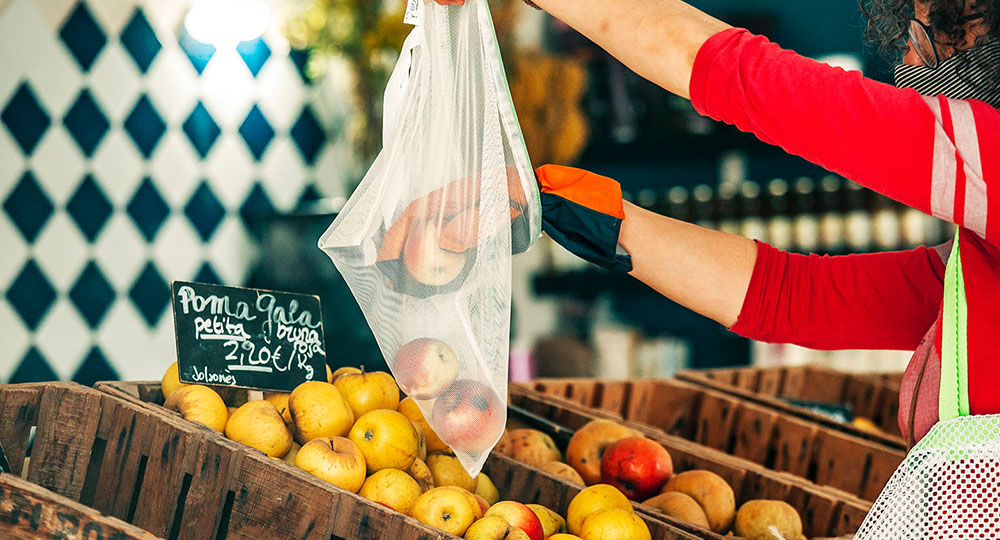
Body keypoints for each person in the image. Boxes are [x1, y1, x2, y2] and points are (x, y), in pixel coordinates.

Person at [432, 0, 1000, 447]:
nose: (906, 64)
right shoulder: (981, 264)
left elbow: (736, 75)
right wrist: (584, 212)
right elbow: (787, 296)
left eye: (926, 36)